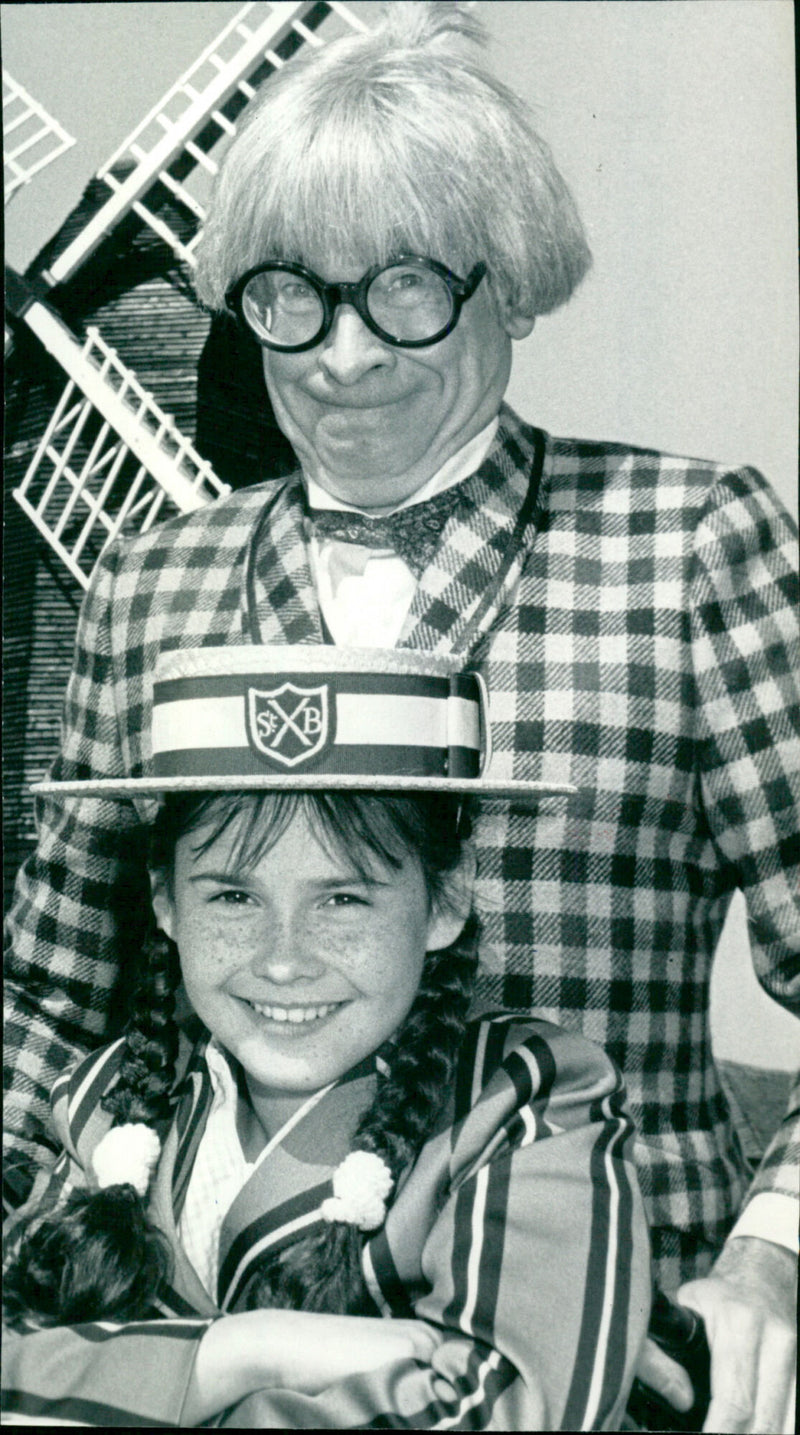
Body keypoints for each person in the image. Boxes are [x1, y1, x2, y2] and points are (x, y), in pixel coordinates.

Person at [3, 5, 797, 1431]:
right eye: (290, 296)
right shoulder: (148, 580)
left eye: (411, 290)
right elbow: (50, 1002)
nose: (345, 355)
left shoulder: (690, 545)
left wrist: (774, 1257)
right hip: (198, 1367)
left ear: (517, 287)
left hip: (607, 1371)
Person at [2, 646, 650, 1428]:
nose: (282, 959)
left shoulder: (522, 1103)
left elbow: (508, 1406)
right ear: (165, 900)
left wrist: (116, 1386)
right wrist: (244, 1351)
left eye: (343, 898)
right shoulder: (104, 1106)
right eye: (234, 895)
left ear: (445, 898)